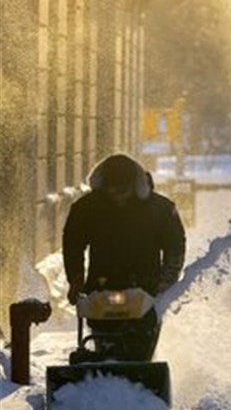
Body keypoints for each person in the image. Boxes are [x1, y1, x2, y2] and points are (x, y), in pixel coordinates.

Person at [62, 153, 186, 361]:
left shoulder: (160, 209)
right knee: (103, 340)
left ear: (134, 186)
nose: (117, 197)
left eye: (122, 192)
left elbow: (175, 246)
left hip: (146, 289)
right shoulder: (86, 209)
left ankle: (138, 373)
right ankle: (106, 371)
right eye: (111, 192)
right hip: (101, 288)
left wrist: (166, 279)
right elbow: (72, 244)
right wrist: (75, 277)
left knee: (141, 345)